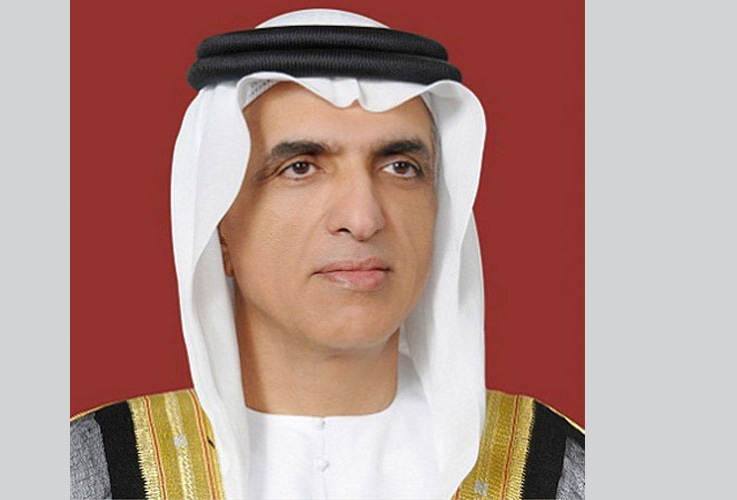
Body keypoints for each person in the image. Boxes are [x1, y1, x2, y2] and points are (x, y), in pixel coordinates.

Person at [70, 8, 584, 500]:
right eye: (300, 168)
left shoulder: (554, 468)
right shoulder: (95, 470)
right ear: (219, 227)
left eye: (401, 167)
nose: (362, 219)